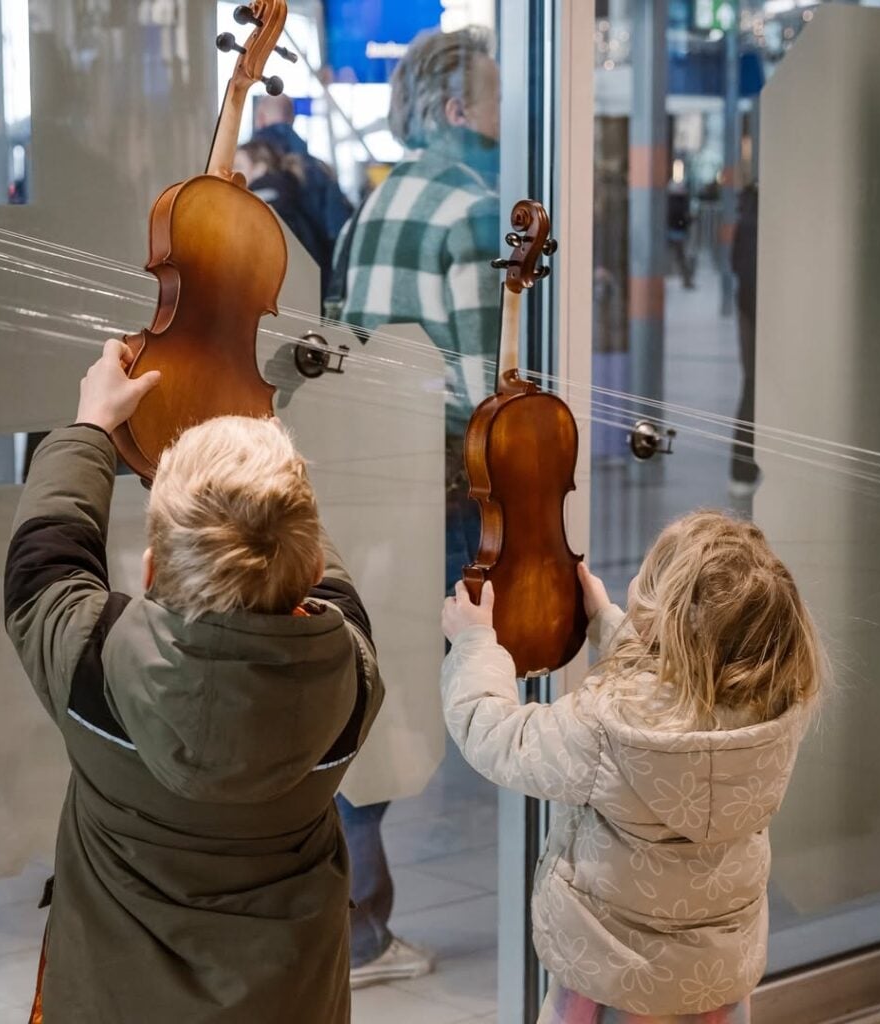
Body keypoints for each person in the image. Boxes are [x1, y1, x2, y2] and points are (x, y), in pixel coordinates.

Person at [4, 340, 383, 1023]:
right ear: (308, 568)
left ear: (149, 572)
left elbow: (47, 556)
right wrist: (254, 484)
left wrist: (92, 425)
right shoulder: (351, 679)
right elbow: (324, 576)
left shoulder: (92, 663)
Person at [441, 510, 823, 1023]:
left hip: (613, 984)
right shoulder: (775, 712)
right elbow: (688, 692)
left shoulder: (608, 728)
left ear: (662, 621)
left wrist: (473, 644)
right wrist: (604, 621)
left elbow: (497, 736)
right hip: (716, 984)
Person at [331, 26, 502, 988]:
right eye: (496, 95)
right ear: (454, 110)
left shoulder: (374, 205)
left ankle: (351, 918)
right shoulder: (474, 209)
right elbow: (487, 388)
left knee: (369, 683)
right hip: (440, 483)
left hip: (368, 471)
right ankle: (357, 924)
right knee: (414, 696)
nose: (507, 113)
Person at [252, 93, 353, 255]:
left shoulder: (247, 167)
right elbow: (338, 231)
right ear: (292, 118)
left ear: (261, 118)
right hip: (315, 273)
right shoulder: (321, 170)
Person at [234, 139, 334, 289]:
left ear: (260, 168)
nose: (231, 173)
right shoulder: (287, 198)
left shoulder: (262, 206)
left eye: (238, 167)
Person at [729, 183, 761, 497]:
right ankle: (742, 467)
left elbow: (735, 263)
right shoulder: (762, 219)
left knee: (752, 386)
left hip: (748, 310)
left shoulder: (748, 215)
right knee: (755, 387)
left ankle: (742, 468)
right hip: (757, 315)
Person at [667, 182, 695, 289]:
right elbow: (682, 219)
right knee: (681, 258)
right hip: (678, 233)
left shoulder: (670, 202)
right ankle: (686, 280)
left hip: (673, 233)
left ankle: (684, 279)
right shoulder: (680, 204)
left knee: (679, 258)